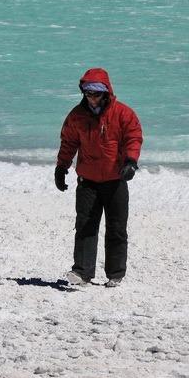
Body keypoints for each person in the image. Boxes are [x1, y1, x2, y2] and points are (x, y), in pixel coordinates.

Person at [54, 68, 143, 287]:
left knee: (116, 228)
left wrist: (131, 162)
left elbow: (134, 137)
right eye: (88, 93)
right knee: (85, 226)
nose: (92, 98)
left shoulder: (123, 113)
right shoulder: (76, 116)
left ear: (106, 92)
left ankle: (115, 274)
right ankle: (82, 272)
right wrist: (61, 167)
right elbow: (68, 143)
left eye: (96, 93)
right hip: (88, 181)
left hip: (115, 181)